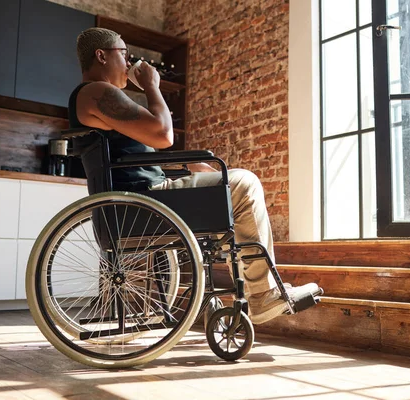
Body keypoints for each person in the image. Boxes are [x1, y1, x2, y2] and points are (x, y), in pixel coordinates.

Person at [69, 27, 320, 325]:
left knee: (220, 185)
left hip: (140, 200)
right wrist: (152, 87)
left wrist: (187, 168)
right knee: (244, 182)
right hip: (144, 203)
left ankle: (257, 290)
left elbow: (134, 159)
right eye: (124, 54)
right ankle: (262, 295)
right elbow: (164, 135)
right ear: (101, 55)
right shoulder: (97, 92)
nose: (128, 63)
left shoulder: (95, 96)